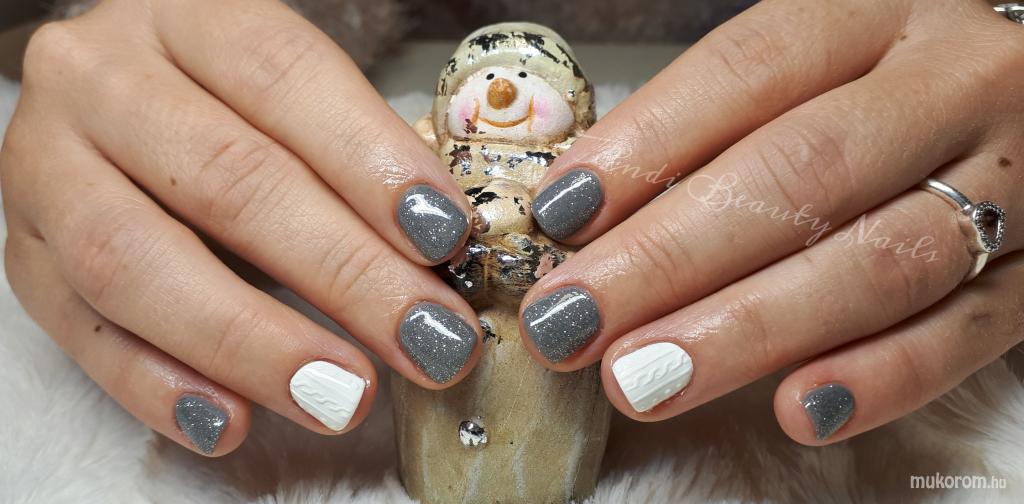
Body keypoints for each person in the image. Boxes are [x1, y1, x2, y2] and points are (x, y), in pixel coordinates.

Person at [1, 0, 1021, 456]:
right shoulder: (428, 155)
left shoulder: (585, 164)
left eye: (522, 83)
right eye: (483, 82)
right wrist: (121, 46)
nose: (498, 97)